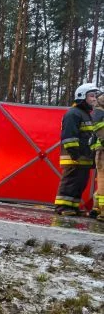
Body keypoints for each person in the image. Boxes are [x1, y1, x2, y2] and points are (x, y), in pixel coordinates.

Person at [54, 83, 97, 216]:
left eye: (95, 96)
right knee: (70, 182)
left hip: (83, 158)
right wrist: (75, 154)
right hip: (74, 157)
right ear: (81, 96)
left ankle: (72, 207)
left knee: (79, 184)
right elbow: (69, 136)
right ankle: (62, 207)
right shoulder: (73, 113)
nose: (94, 99)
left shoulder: (85, 114)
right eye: (91, 96)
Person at [92, 90, 104, 221]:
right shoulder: (100, 108)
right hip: (103, 150)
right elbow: (99, 127)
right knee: (103, 180)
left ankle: (96, 208)